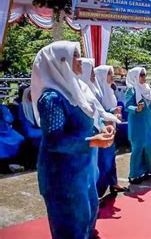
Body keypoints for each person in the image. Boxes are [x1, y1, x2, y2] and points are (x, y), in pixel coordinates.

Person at [31, 41, 115, 239]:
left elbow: (89, 118)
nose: (80, 60)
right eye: (74, 55)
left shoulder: (75, 89)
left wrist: (102, 126)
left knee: (88, 218)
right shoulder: (52, 98)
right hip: (63, 177)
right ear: (60, 61)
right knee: (71, 228)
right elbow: (54, 141)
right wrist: (92, 141)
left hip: (82, 171)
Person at [125, 67, 151, 184]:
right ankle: (134, 175)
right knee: (138, 148)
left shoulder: (147, 88)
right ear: (135, 76)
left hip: (148, 122)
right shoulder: (131, 90)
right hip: (137, 123)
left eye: (144, 75)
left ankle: (148, 169)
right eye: (141, 75)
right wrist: (136, 108)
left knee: (149, 146)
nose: (144, 77)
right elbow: (127, 106)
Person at [94, 65, 129, 197]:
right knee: (103, 159)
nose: (112, 76)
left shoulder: (109, 90)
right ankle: (99, 189)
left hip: (112, 127)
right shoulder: (98, 92)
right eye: (109, 74)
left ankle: (113, 182)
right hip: (102, 129)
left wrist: (116, 115)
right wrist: (111, 112)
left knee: (111, 157)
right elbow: (97, 112)